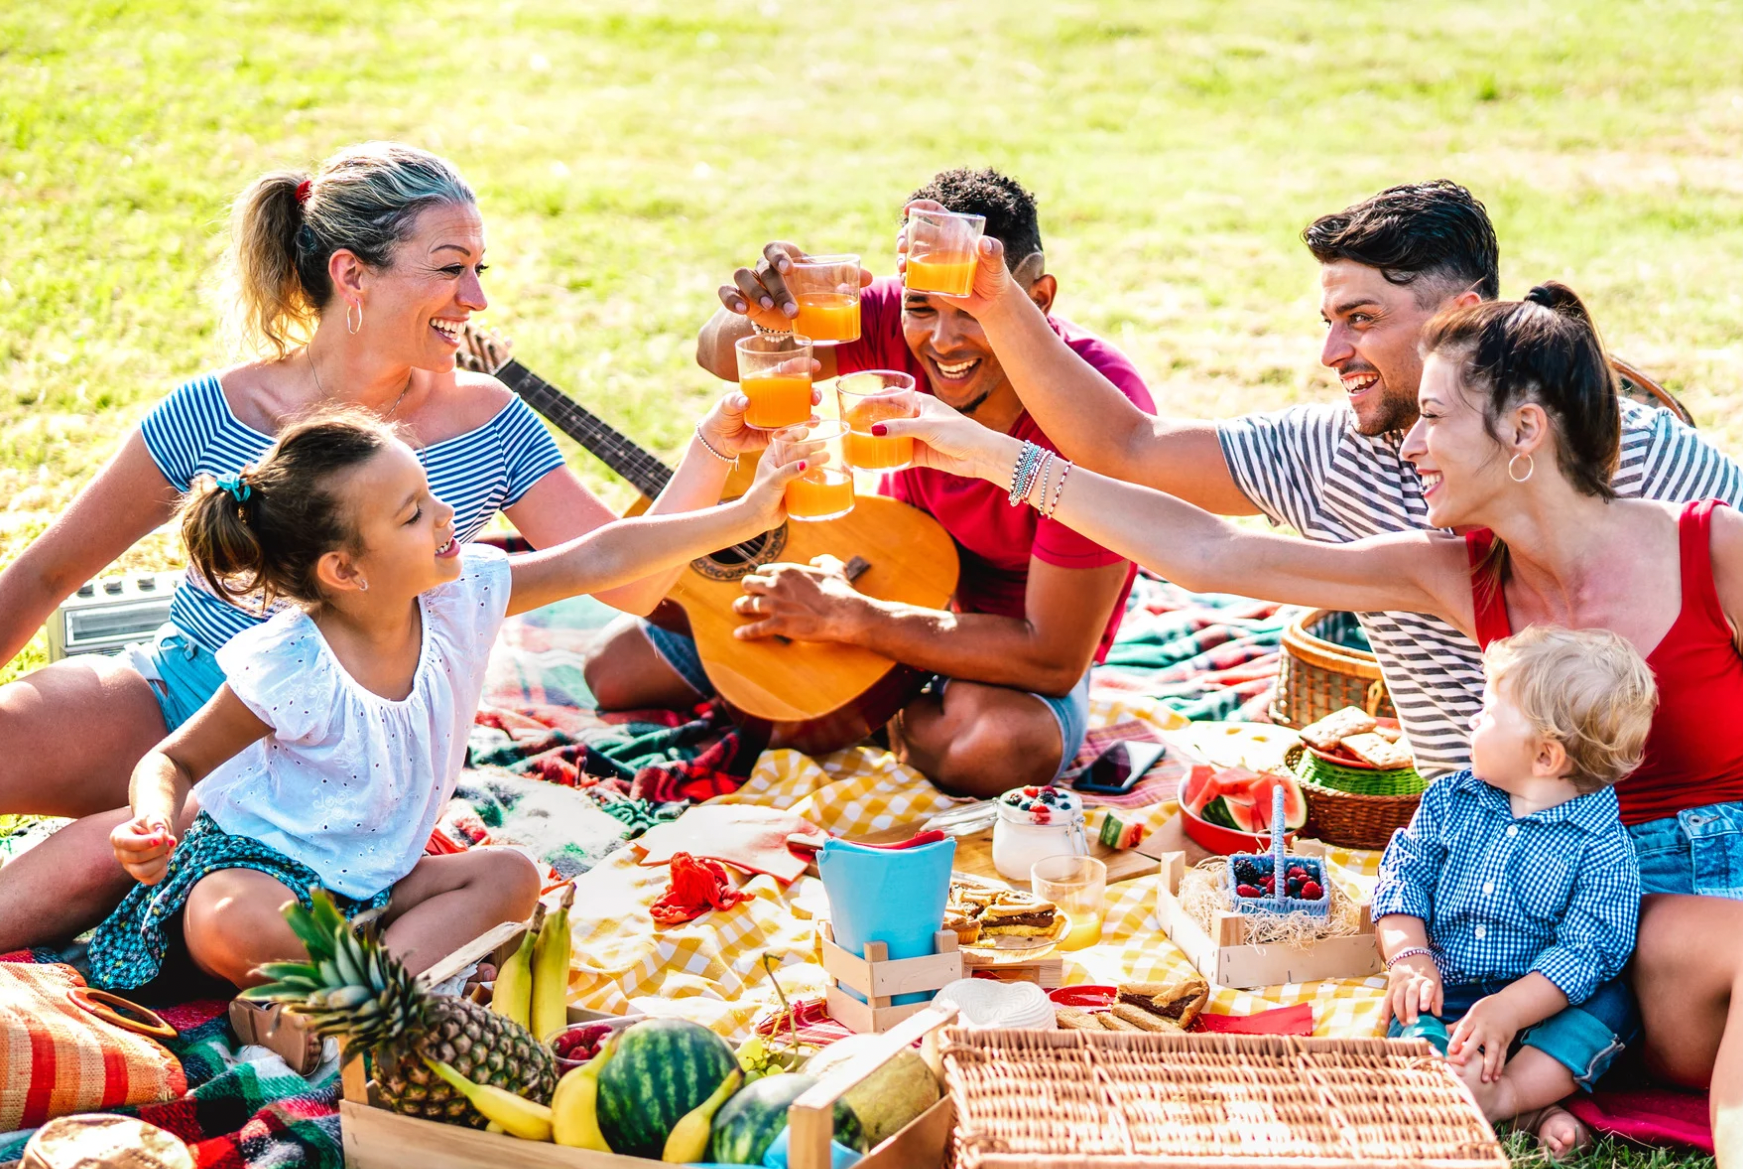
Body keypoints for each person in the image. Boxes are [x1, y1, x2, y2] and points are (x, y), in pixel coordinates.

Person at [877, 283, 1743, 1169]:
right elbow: (1207, 555)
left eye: (1434, 417)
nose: (1409, 444)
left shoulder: (1711, 545)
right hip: (1681, 939)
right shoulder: (1454, 577)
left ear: (1523, 430)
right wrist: (995, 458)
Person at [924, 178, 1743, 1084]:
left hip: (1701, 761)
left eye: (1358, 317)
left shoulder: (1620, 450)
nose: (1330, 351)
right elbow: (1148, 479)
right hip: (1535, 807)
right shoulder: (1351, 470)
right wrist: (989, 340)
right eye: (1327, 318)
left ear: (1466, 333)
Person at [0, 142, 778, 956]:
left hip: (336, 768)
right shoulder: (214, 410)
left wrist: (715, 455)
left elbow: (625, 577)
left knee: (110, 850)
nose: (475, 299)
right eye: (451, 268)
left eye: (480, 268)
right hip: (191, 690)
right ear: (352, 274)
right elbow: (47, 571)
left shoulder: (490, 421)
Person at [93, 405, 803, 989]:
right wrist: (153, 821)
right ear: (344, 569)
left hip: (377, 887)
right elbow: (173, 764)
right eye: (412, 515)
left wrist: (745, 517)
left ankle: (353, 1000)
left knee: (510, 877)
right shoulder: (292, 667)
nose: (445, 515)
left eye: (431, 494)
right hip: (262, 875)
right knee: (230, 919)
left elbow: (601, 555)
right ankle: (383, 987)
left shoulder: (463, 599)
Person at [580, 167, 1154, 797]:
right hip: (881, 564)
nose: (942, 340)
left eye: (973, 311)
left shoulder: (1097, 412)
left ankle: (852, 712)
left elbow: (1052, 656)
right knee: (614, 672)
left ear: (1038, 299)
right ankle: (837, 701)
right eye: (922, 308)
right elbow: (718, 356)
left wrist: (849, 620)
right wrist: (768, 317)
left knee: (1000, 748)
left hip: (998, 648)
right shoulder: (886, 317)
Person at [1375, 627, 1656, 1148]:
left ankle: (1510, 1096)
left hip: (1544, 1006)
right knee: (1415, 1011)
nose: (1472, 719)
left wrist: (1510, 1009)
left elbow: (1588, 950)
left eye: (1488, 711)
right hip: (1450, 987)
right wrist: (1409, 956)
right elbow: (1402, 877)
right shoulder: (1449, 801)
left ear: (1545, 758)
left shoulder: (1603, 847)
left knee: (1612, 1007)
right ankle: (1493, 1094)